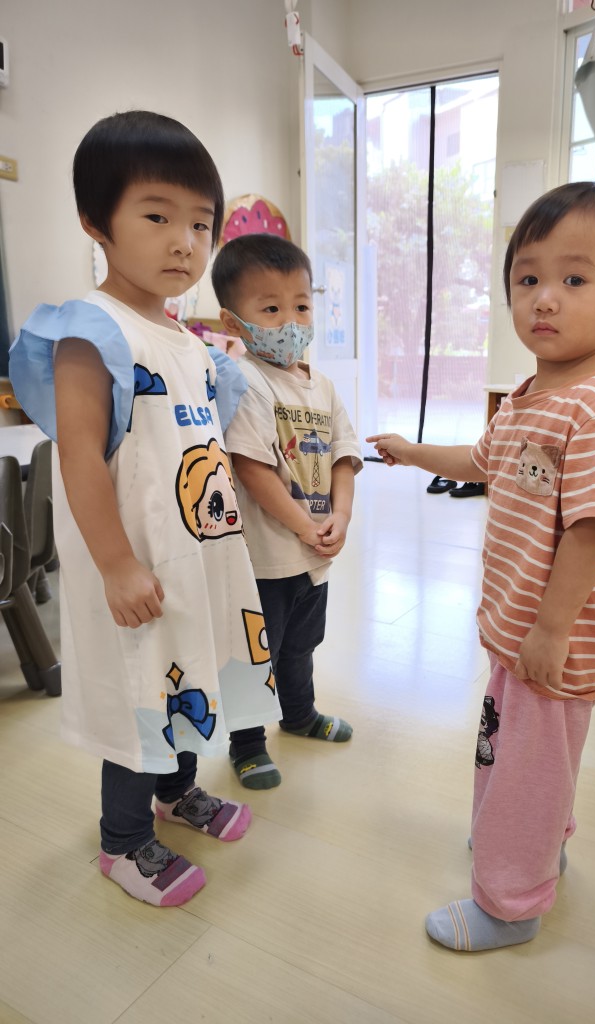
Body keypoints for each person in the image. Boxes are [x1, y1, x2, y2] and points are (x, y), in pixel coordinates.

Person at [368, 181, 595, 951]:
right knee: (521, 758)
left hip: (550, 642)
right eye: (528, 278)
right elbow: (481, 462)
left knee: (525, 764)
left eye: (574, 278)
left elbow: (594, 529)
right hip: (519, 631)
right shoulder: (532, 395)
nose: (544, 298)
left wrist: (551, 630)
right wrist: (412, 451)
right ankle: (531, 841)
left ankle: (511, 903)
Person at [9, 110, 282, 908]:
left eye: (200, 223)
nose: (184, 243)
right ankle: (124, 840)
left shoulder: (191, 344)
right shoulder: (90, 332)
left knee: (192, 670)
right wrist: (117, 564)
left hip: (197, 557)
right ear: (96, 221)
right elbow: (79, 457)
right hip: (132, 564)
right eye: (157, 217)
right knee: (141, 696)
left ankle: (177, 792)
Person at [211, 233, 362, 790]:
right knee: (258, 653)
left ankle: (298, 715)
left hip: (314, 552)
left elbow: (344, 456)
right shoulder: (246, 381)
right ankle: (247, 744)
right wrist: (304, 526)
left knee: (301, 645)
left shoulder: (322, 386)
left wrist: (340, 518)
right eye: (270, 309)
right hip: (266, 558)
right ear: (233, 322)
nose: (290, 321)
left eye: (300, 306)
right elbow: (252, 470)